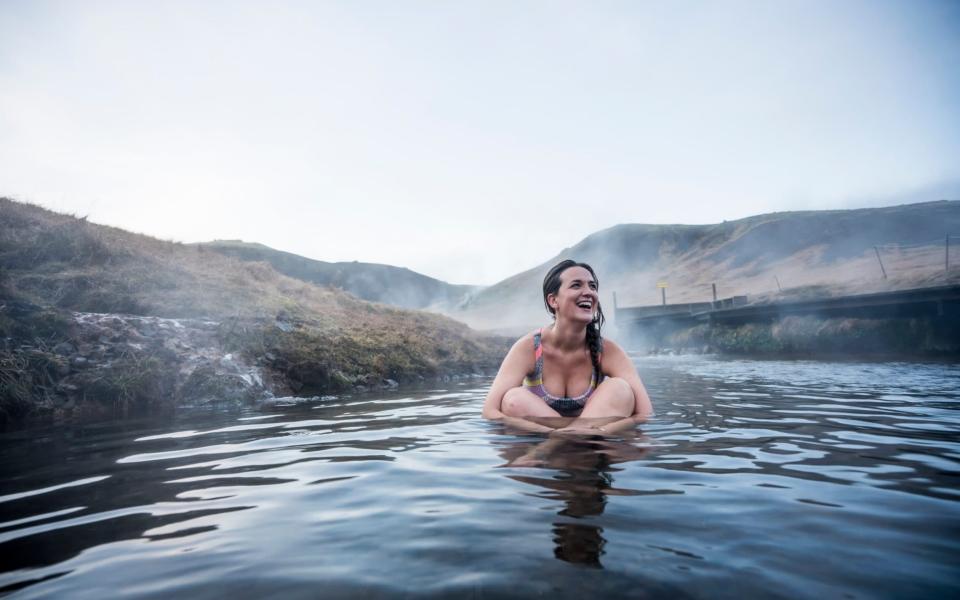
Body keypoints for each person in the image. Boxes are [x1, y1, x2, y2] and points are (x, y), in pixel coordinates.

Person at [482, 259, 653, 435]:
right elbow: (490, 411)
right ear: (553, 300)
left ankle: (562, 445)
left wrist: (596, 432)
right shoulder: (529, 348)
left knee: (620, 389)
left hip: (592, 442)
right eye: (576, 285)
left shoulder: (608, 351)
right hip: (541, 439)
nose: (588, 292)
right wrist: (554, 434)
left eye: (592, 287)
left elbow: (644, 414)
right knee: (513, 399)